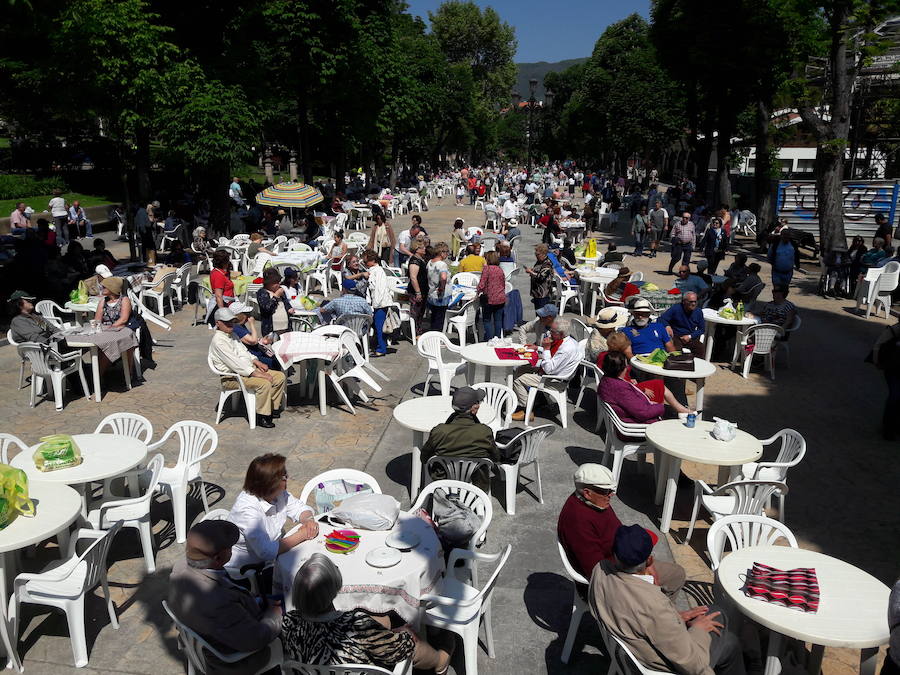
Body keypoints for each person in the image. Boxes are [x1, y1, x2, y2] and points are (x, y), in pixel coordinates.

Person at [590, 524, 746, 675]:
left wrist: (676, 618)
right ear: (650, 561)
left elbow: (645, 621)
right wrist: (697, 630)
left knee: (728, 638)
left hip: (634, 643)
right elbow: (693, 665)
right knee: (722, 621)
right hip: (659, 665)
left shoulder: (599, 570)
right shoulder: (653, 604)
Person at [282, 554, 452, 673]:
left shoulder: (289, 622)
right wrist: (406, 635)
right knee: (411, 640)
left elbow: (346, 622)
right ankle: (439, 661)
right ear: (333, 588)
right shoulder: (355, 626)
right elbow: (400, 649)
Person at [168, 519, 283, 675]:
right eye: (229, 547)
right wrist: (274, 616)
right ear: (217, 559)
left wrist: (257, 601)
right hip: (233, 661)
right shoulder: (218, 602)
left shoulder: (180, 567)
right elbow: (255, 639)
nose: (232, 550)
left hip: (213, 632)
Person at [557, 464, 686, 590]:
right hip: (611, 577)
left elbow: (621, 531)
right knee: (674, 576)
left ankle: (655, 607)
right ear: (587, 493)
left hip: (625, 561)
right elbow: (595, 570)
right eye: (606, 491)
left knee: (677, 573)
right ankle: (650, 609)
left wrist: (645, 563)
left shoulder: (597, 502)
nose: (611, 494)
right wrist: (639, 572)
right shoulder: (577, 521)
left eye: (611, 490)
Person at [227, 453, 317, 573]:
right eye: (284, 476)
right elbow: (266, 551)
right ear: (271, 483)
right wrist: (302, 535)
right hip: (247, 571)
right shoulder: (246, 510)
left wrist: (308, 520)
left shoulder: (277, 494)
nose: (287, 478)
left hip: (271, 560)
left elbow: (300, 508)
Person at [209, 307, 287, 428]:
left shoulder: (232, 334)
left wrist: (257, 362)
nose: (230, 324)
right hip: (232, 377)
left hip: (247, 370)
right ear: (218, 323)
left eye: (231, 321)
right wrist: (257, 373)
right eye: (226, 322)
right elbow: (235, 364)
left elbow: (244, 352)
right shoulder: (219, 341)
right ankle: (261, 416)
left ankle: (272, 408)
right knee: (264, 383)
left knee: (279, 376)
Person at [420, 386, 500, 490]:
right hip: (476, 485)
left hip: (443, 483)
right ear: (474, 408)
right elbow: (496, 458)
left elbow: (424, 458)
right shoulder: (484, 432)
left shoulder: (439, 432)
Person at [511, 317, 582, 420]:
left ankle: (526, 409)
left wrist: (546, 348)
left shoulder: (566, 349)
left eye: (552, 332)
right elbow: (554, 355)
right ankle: (537, 399)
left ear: (561, 334)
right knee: (519, 369)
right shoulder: (567, 341)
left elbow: (549, 368)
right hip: (554, 372)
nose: (549, 333)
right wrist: (538, 348)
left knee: (518, 378)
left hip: (554, 380)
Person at [599, 350, 690, 423]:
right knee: (674, 416)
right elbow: (642, 413)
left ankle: (682, 410)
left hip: (630, 416)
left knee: (658, 386)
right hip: (635, 426)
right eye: (626, 366)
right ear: (621, 369)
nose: (627, 368)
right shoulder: (620, 388)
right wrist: (660, 406)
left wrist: (649, 403)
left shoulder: (606, 381)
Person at [228, 302, 279, 370]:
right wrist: (252, 324)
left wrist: (263, 340)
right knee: (275, 363)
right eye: (246, 314)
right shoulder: (236, 328)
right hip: (252, 356)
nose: (248, 316)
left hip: (256, 351)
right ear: (239, 315)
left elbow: (252, 338)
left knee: (277, 359)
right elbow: (253, 341)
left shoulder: (240, 326)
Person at [363, 249, 393, 357]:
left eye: (366, 262)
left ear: (372, 260)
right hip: (377, 303)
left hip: (380, 304)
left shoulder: (378, 271)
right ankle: (380, 346)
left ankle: (381, 349)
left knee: (379, 326)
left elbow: (380, 289)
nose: (365, 264)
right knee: (378, 326)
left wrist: (376, 305)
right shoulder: (373, 270)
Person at [476, 250, 507, 340]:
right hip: (500, 298)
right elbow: (503, 284)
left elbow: (482, 284)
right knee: (498, 320)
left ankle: (489, 339)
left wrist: (477, 291)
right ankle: (497, 338)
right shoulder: (500, 270)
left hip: (490, 299)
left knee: (487, 320)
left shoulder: (487, 269)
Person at [256, 268, 294, 336]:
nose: (278, 285)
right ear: (268, 283)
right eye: (275, 283)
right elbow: (267, 308)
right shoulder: (262, 292)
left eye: (278, 282)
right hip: (272, 329)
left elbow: (285, 302)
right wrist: (276, 296)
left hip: (285, 326)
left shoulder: (280, 291)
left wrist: (289, 308)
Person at [426, 242, 452, 332]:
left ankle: (432, 335)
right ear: (442, 253)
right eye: (447, 252)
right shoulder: (442, 264)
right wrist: (442, 288)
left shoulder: (430, 262)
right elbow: (443, 277)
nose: (447, 254)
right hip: (440, 295)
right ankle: (437, 338)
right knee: (440, 318)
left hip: (431, 293)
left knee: (434, 316)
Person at [407, 240, 429, 337]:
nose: (424, 249)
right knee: (416, 312)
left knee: (420, 312)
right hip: (417, 291)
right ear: (417, 249)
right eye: (422, 247)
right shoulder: (414, 261)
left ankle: (418, 330)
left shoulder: (420, 259)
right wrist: (418, 292)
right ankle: (415, 332)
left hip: (423, 289)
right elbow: (413, 277)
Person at [526, 243, 555, 311]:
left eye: (538, 255)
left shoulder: (547, 263)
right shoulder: (539, 261)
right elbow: (538, 271)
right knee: (538, 312)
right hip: (537, 292)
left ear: (544, 254)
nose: (536, 256)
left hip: (543, 293)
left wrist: (530, 272)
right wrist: (533, 270)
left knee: (542, 313)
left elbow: (541, 276)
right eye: (536, 254)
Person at [210, 249, 236, 315]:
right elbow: (218, 295)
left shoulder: (222, 272)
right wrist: (222, 313)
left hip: (230, 303)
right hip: (226, 306)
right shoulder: (219, 275)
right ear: (224, 262)